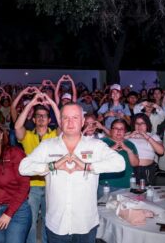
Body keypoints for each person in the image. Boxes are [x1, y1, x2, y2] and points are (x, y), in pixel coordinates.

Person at [19, 103, 125, 242]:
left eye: (75, 117)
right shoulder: (47, 146)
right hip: (57, 223)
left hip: (85, 223)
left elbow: (120, 163)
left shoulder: (95, 145)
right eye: (66, 118)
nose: (70, 122)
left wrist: (87, 167)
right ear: (60, 122)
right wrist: (53, 166)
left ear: (82, 122)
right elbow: (23, 167)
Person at [15, 92, 61, 243]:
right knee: (32, 221)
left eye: (44, 115)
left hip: (51, 184)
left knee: (50, 221)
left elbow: (63, 124)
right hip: (32, 185)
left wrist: (53, 104)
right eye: (38, 115)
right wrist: (32, 103)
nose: (41, 118)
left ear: (49, 120)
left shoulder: (55, 135)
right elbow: (17, 126)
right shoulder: (27, 136)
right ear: (33, 119)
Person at [99, 119, 139, 197]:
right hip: (106, 185)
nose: (119, 131)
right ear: (111, 130)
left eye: (121, 129)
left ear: (125, 131)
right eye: (116, 128)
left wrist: (128, 150)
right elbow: (95, 160)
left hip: (125, 185)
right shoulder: (101, 142)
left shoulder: (130, 144)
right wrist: (111, 149)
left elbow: (135, 164)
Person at [126, 114, 164, 185]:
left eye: (142, 123)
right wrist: (129, 136)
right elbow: (115, 142)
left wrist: (146, 136)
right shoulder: (128, 134)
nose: (139, 126)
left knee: (147, 193)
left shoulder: (153, 136)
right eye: (137, 123)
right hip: (130, 169)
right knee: (129, 193)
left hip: (146, 170)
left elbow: (161, 151)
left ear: (147, 124)